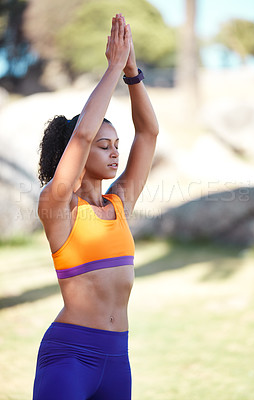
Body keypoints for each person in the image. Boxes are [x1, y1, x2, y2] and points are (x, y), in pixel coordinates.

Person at [32, 13, 159, 400]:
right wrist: (113, 67)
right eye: (104, 146)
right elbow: (84, 132)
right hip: (70, 356)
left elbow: (149, 133)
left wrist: (132, 74)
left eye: (116, 145)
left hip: (117, 359)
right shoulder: (57, 205)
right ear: (80, 153)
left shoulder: (119, 203)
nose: (114, 152)